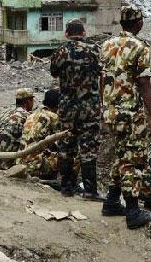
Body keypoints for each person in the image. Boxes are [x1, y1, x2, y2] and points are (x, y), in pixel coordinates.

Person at [99, 5, 151, 229]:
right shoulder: (140, 47)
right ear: (139, 23)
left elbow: (102, 80)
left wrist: (104, 108)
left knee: (121, 154)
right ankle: (133, 212)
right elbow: (144, 82)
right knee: (133, 159)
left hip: (111, 112)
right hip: (130, 113)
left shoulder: (106, 45)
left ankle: (112, 201)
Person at [49, 18, 102, 199]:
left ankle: (66, 187)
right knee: (89, 148)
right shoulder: (95, 50)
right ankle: (89, 191)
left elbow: (54, 72)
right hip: (90, 107)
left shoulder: (59, 52)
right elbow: (102, 72)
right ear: (84, 33)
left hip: (67, 107)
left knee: (66, 146)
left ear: (66, 34)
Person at [0, 89, 34, 170]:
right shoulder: (27, 116)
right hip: (5, 163)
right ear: (28, 102)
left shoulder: (5, 112)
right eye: (32, 100)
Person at [16, 89, 62, 182]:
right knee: (71, 153)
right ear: (57, 105)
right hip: (35, 167)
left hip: (19, 163)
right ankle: (68, 184)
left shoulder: (32, 114)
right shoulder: (53, 117)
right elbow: (62, 143)